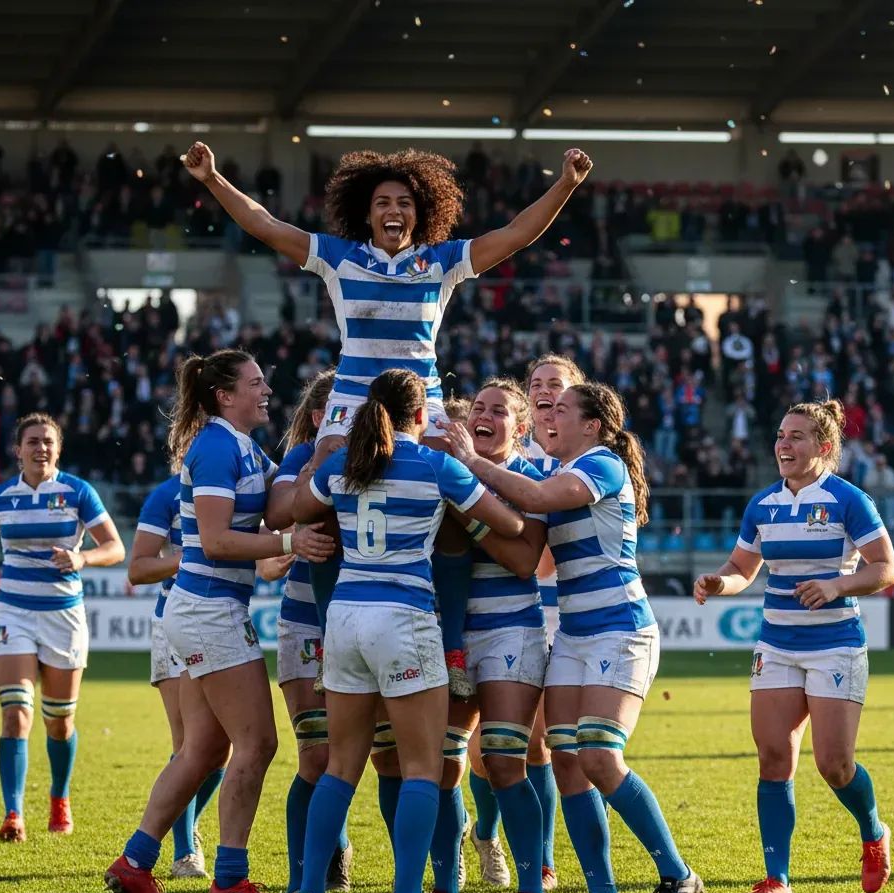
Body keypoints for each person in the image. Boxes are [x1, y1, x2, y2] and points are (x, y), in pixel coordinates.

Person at [181, 138, 593, 690]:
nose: (393, 210)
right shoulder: (339, 257)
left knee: (448, 512)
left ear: (421, 211)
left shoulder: (442, 262)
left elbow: (514, 234)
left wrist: (565, 184)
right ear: (365, 212)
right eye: (382, 203)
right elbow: (264, 224)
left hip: (423, 409)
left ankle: (448, 651)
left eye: (403, 202)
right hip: (352, 407)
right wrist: (212, 179)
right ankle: (334, 642)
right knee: (322, 514)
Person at [445, 382, 703, 893]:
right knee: (567, 763)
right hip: (573, 635)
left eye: (562, 409)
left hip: (620, 629)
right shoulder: (549, 472)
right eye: (546, 408)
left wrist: (468, 460)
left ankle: (677, 872)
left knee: (600, 757)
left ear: (593, 426)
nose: (549, 415)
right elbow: (528, 511)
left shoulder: (603, 464)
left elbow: (537, 502)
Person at [286, 369, 526, 893]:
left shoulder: (344, 463)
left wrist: (325, 453)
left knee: (341, 766)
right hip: (405, 616)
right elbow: (511, 523)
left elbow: (298, 508)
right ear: (423, 416)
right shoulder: (435, 465)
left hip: (343, 617)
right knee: (423, 767)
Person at [104, 350, 335, 893]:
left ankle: (134, 864)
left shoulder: (243, 446)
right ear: (224, 396)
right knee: (259, 744)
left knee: (205, 748)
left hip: (207, 608)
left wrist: (317, 466)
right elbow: (214, 541)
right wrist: (289, 545)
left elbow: (271, 514)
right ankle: (230, 880)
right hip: (208, 609)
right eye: (255, 383)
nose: (266, 389)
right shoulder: (214, 446)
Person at [694, 399, 894, 893]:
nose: (783, 445)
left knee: (834, 765)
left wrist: (837, 586)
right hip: (777, 644)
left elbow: (887, 568)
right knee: (773, 758)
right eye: (781, 435)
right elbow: (743, 568)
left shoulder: (849, 500)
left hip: (834, 646)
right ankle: (776, 880)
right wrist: (718, 583)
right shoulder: (762, 503)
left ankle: (873, 832)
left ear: (823, 447)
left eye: (797, 437)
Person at [0, 413, 126, 842]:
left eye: (48, 441)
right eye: (33, 441)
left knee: (59, 723)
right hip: (14, 614)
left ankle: (59, 798)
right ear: (18, 449)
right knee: (15, 716)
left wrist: (82, 558)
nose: (41, 448)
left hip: (63, 616)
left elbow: (115, 547)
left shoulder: (78, 492)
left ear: (58, 449)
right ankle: (13, 814)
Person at [449, 378, 553, 893]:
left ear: (521, 426)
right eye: (478, 408)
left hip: (511, 631)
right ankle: (445, 888)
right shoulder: (448, 468)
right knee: (443, 763)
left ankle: (533, 890)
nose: (484, 416)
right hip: (448, 635)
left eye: (498, 411)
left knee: (504, 760)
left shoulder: (534, 480)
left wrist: (466, 512)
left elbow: (523, 561)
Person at [262, 369, 353, 893]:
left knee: (369, 755)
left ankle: (419, 881)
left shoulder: (382, 459)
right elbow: (273, 523)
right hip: (306, 622)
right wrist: (291, 543)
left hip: (374, 622)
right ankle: (305, 879)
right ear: (320, 417)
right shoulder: (298, 461)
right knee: (316, 757)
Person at [128, 473, 225, 879]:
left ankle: (185, 824)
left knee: (222, 748)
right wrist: (187, 559)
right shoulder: (166, 494)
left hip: (223, 621)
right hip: (175, 622)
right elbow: (138, 568)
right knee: (189, 742)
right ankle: (185, 850)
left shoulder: (237, 487)